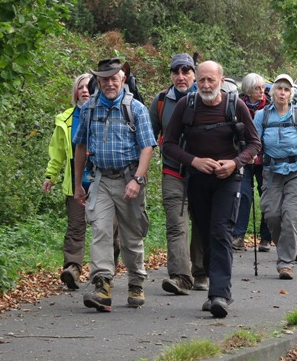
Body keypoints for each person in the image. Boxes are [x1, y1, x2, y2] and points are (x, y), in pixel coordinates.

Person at [162, 61, 261, 318]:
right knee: (205, 235)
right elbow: (169, 145)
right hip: (197, 180)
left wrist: (234, 163)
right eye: (202, 80)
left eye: (211, 80)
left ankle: (220, 295)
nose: (206, 85)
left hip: (228, 180)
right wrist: (194, 161)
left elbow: (254, 143)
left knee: (221, 233)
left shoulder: (235, 105)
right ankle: (212, 289)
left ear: (221, 80)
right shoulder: (187, 105)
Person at [73, 57, 156, 312]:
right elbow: (81, 146)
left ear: (123, 79)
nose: (110, 83)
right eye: (105, 79)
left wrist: (138, 180)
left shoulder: (136, 109)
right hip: (101, 179)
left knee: (132, 236)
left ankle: (135, 282)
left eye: (114, 78)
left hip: (129, 179)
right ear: (98, 81)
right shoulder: (89, 109)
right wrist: (78, 184)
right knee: (101, 229)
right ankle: (102, 284)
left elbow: (147, 147)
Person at [149, 53, 207, 296]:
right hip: (173, 171)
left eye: (186, 72)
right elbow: (148, 138)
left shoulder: (208, 98)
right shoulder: (161, 101)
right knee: (176, 225)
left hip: (203, 173)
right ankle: (180, 277)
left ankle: (201, 272)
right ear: (171, 75)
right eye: (176, 72)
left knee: (202, 224)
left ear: (194, 74)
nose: (181, 77)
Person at [44, 73, 107, 290]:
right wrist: (50, 176)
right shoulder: (66, 119)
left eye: (89, 87)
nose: (85, 91)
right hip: (75, 182)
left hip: (103, 181)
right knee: (75, 227)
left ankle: (106, 271)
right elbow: (58, 152)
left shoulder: (105, 114)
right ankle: (72, 268)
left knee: (108, 230)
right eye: (80, 87)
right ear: (75, 92)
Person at [254, 74, 297, 280]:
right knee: (272, 215)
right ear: (272, 92)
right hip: (272, 172)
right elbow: (254, 141)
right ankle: (284, 250)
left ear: (291, 93)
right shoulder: (261, 116)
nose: (282, 93)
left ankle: (285, 262)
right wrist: (250, 154)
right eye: (279, 89)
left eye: (286, 89)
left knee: (291, 217)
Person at [233, 73, 269, 252]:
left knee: (267, 196)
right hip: (244, 158)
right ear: (248, 90)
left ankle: (266, 238)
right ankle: (238, 235)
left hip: (265, 159)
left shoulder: (269, 106)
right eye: (257, 88)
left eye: (263, 87)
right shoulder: (237, 105)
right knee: (244, 195)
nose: (262, 91)